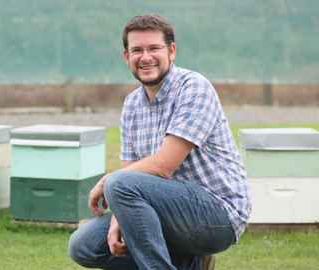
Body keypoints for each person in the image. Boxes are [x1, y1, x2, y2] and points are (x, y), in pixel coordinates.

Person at [68, 14, 251, 270]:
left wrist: (106, 181)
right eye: (137, 50)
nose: (145, 57)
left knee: (119, 181)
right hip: (162, 211)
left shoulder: (193, 87)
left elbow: (163, 166)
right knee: (83, 245)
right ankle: (190, 262)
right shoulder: (132, 104)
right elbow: (130, 175)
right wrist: (117, 222)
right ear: (126, 57)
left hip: (217, 214)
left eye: (154, 48)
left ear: (171, 51)